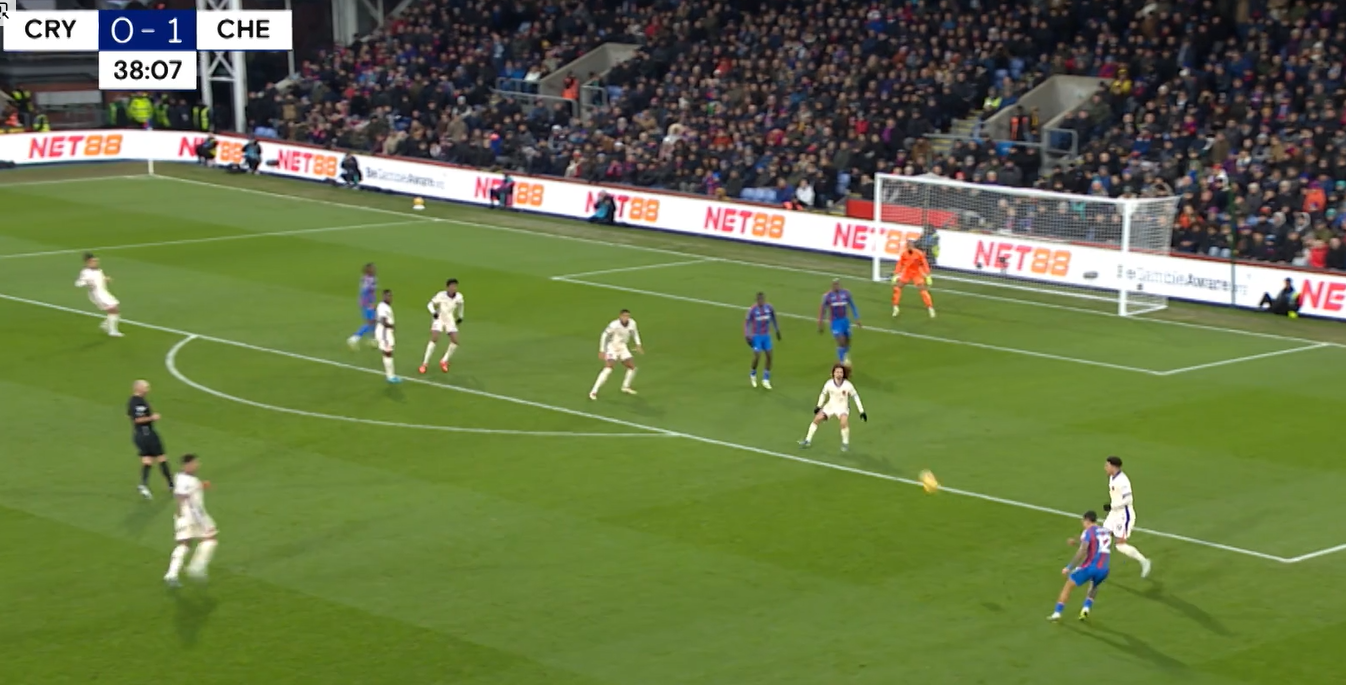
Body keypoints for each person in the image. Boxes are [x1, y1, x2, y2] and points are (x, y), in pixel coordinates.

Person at [163, 454, 218, 586]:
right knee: (210, 539)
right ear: (186, 465)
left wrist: (200, 485)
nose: (197, 465)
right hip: (193, 516)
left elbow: (185, 492)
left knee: (184, 544)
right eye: (194, 463)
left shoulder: (180, 477)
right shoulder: (187, 480)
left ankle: (171, 574)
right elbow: (182, 497)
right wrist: (201, 521)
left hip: (182, 517)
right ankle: (197, 567)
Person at [1048, 511, 1111, 622]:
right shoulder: (1105, 531)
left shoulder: (1089, 532)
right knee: (1094, 585)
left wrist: (1069, 567)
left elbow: (1083, 550)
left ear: (1087, 520)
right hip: (1104, 569)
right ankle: (1086, 607)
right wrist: (1077, 543)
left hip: (1090, 567)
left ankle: (1057, 613)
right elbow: (1096, 547)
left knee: (1068, 585)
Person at [799, 363, 867, 451]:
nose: (839, 374)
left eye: (841, 372)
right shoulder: (829, 384)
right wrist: (819, 406)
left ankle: (845, 443)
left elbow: (855, 397)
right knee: (817, 419)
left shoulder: (848, 385)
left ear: (843, 374)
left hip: (842, 407)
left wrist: (861, 411)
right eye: (837, 372)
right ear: (833, 373)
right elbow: (823, 394)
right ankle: (807, 440)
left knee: (843, 422)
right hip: (830, 406)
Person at [1104, 456, 1152, 577]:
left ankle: (1144, 561)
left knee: (1120, 545)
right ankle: (1092, 566)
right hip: (1114, 513)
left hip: (1123, 515)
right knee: (1102, 536)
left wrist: (1112, 506)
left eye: (1107, 465)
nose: (1105, 468)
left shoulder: (1122, 481)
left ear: (1113, 466)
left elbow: (1128, 499)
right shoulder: (1112, 477)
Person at [128, 379, 173, 500]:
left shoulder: (133, 401)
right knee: (162, 458)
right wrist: (152, 418)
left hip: (139, 435)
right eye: (146, 387)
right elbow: (137, 419)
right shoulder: (138, 402)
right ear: (138, 388)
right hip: (147, 434)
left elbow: (131, 416)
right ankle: (171, 484)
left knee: (147, 460)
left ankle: (143, 484)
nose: (148, 390)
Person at [589, 309, 642, 400]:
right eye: (624, 316)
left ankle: (625, 386)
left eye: (627, 316)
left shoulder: (632, 323)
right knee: (608, 369)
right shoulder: (614, 325)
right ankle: (594, 391)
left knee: (632, 367)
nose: (626, 318)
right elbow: (604, 335)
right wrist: (602, 350)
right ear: (620, 316)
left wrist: (638, 344)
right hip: (612, 347)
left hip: (622, 347)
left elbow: (635, 332)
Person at [420, 278, 464, 374]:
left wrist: (460, 316)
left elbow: (461, 305)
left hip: (449, 319)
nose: (454, 288)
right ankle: (424, 364)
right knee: (434, 338)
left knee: (455, 341)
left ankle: (444, 360)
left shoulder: (459, 297)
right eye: (452, 286)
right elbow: (430, 304)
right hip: (439, 317)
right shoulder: (441, 295)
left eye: (455, 286)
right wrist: (433, 313)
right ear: (447, 287)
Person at [74, 253, 122, 337]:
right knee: (114, 310)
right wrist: (87, 283)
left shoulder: (98, 270)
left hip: (103, 292)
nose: (96, 262)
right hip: (97, 294)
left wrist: (106, 279)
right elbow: (78, 283)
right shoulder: (86, 272)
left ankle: (105, 325)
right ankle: (112, 331)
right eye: (94, 261)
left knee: (115, 309)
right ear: (88, 262)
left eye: (96, 261)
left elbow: (100, 279)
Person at [817, 279, 860, 364]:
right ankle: (842, 362)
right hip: (835, 322)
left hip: (845, 321)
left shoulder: (846, 293)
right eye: (835, 284)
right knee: (841, 341)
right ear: (832, 286)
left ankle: (844, 356)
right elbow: (822, 310)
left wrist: (857, 318)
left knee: (847, 342)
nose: (836, 286)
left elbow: (852, 305)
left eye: (838, 284)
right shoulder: (827, 296)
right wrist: (820, 323)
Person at [744, 292, 781, 389]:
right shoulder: (752, 310)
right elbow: (747, 323)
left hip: (766, 335)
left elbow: (774, 318)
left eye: (762, 299)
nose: (761, 301)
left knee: (769, 356)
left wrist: (777, 330)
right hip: (756, 336)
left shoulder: (769, 308)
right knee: (757, 356)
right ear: (757, 300)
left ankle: (766, 379)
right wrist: (747, 334)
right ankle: (753, 374)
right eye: (759, 300)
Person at [891, 246, 936, 318]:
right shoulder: (904, 254)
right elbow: (900, 263)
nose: (909, 247)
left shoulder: (919, 253)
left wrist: (928, 275)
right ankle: (895, 307)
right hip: (907, 273)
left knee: (923, 291)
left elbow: (924, 264)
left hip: (916, 273)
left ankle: (930, 308)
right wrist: (896, 274)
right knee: (897, 288)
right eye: (908, 245)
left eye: (910, 245)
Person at [346, 263, 378, 349]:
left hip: (366, 302)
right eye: (372, 268)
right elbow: (366, 291)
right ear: (368, 270)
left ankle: (372, 340)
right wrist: (370, 303)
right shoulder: (370, 280)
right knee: (371, 322)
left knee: (373, 321)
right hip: (367, 303)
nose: (375, 270)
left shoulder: (367, 278)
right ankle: (354, 338)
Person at [376, 289, 400, 383]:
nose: (390, 298)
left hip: (386, 333)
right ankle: (390, 376)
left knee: (387, 353)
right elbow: (383, 321)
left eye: (390, 296)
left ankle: (390, 375)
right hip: (384, 333)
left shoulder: (384, 306)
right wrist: (391, 326)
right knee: (388, 353)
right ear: (383, 296)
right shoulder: (383, 307)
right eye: (388, 296)